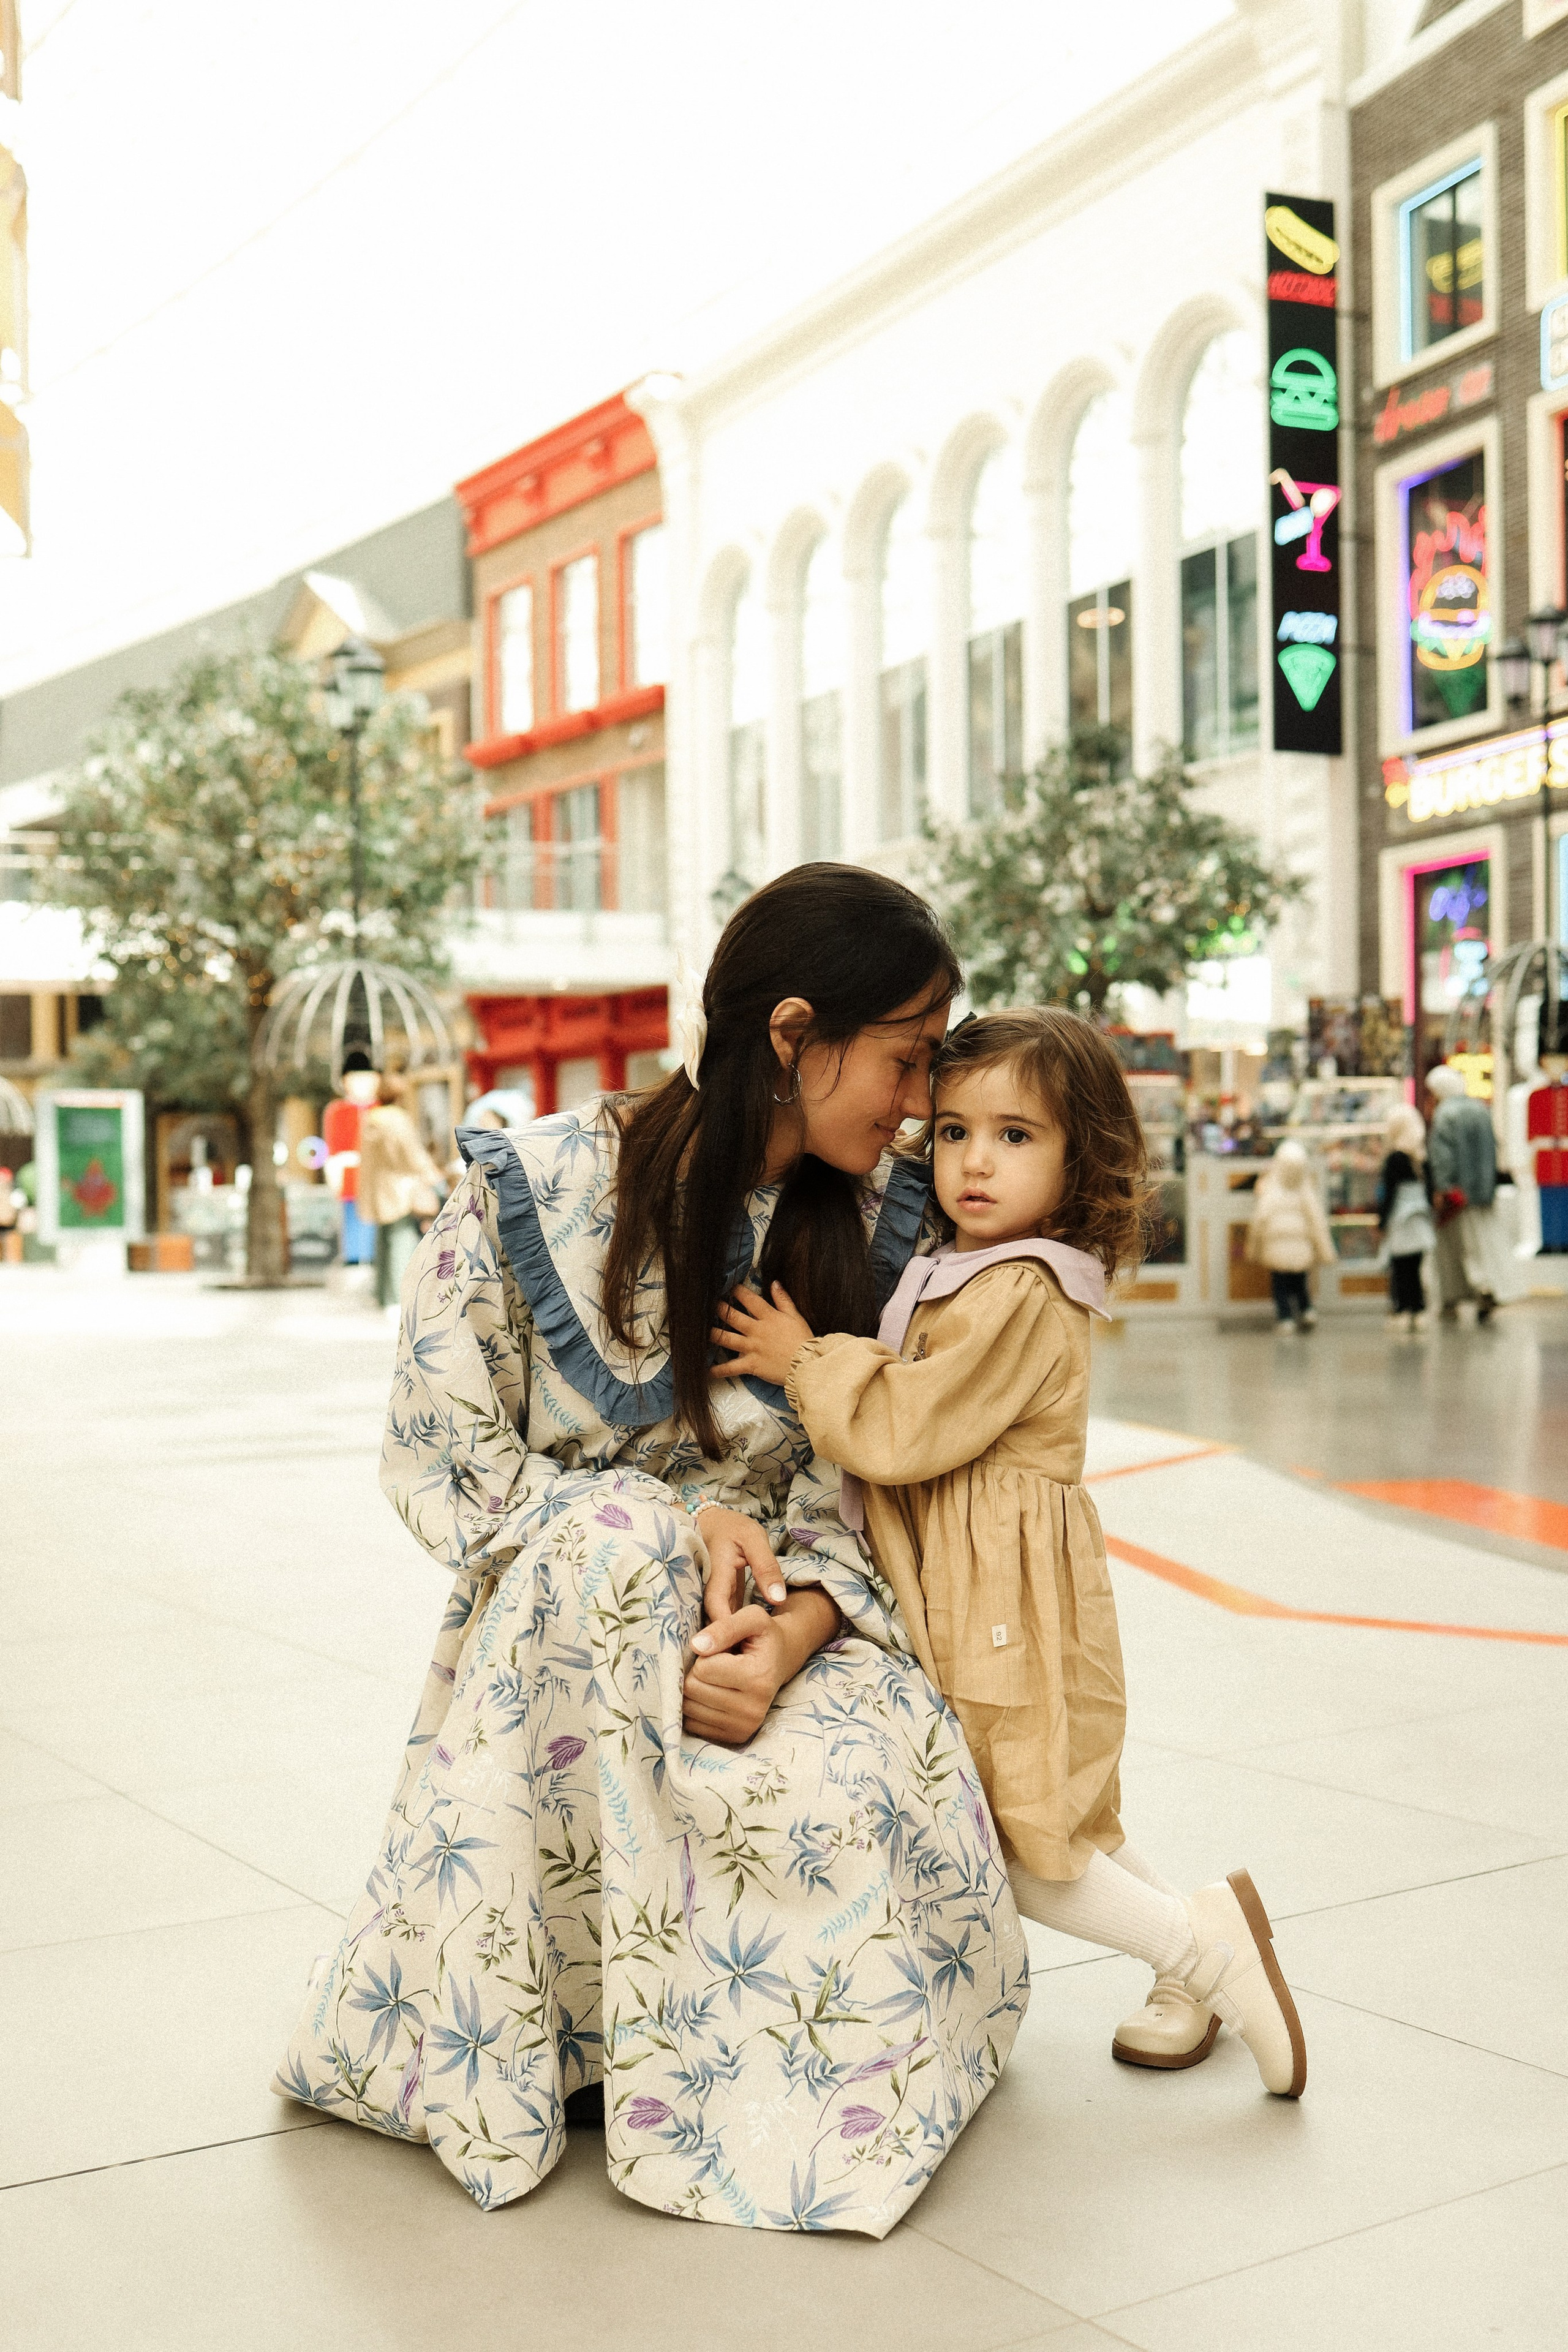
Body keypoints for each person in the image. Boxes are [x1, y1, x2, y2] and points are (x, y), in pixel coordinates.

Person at [275, 866, 1030, 2234]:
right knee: (617, 1533)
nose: (919, 1105)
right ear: (793, 1036)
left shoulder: (884, 1220)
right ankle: (584, 2030)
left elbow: (873, 1502)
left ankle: (707, 2068)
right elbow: (444, 1461)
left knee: (851, 1786)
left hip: (791, 1621)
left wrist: (793, 1627)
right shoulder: (534, 1185)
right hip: (567, 1646)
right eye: (907, 1061)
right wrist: (676, 1534)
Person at [712, 1009, 1306, 2100]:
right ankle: (1200, 1948)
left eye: (1017, 1136)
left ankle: (1206, 1956)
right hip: (988, 1587)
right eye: (950, 1132)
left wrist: (807, 1360)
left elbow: (905, 1428)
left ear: (1083, 1155)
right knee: (1057, 1806)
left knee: (1021, 1844)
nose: (975, 1161)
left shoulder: (1025, 1289)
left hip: (1001, 1603)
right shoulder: (974, 1265)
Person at [354, 1069, 445, 1308]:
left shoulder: (371, 1119)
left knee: (383, 1244)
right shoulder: (397, 1119)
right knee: (401, 1244)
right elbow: (412, 1155)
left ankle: (383, 1297)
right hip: (401, 1190)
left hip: (378, 1191)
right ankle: (399, 1300)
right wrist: (433, 1176)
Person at [1427, 1063, 1502, 1321]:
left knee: (1456, 1247)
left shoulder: (1445, 1114)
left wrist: (1444, 1187)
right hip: (1482, 1192)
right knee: (1480, 1243)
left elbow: (1443, 1158)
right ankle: (1484, 1287)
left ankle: (1462, 1294)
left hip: (1458, 1195)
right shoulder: (1480, 1110)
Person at [1246, 1139, 1333, 1332]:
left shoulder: (1270, 1187)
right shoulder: (1305, 1190)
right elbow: (1316, 1220)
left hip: (1275, 1248)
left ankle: (1285, 1318)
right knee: (1300, 1282)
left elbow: (1260, 1218)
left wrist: (1252, 1248)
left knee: (1280, 1286)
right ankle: (1306, 1310)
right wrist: (1326, 1251)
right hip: (1301, 1247)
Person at [1377, 1104, 1436, 1333]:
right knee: (1415, 1267)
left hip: (1401, 1222)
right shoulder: (1421, 1157)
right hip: (1420, 1221)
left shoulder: (1395, 1159)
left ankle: (1403, 1309)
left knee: (1401, 1269)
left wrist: (1382, 1222)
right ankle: (1418, 1309)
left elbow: (1389, 1194)